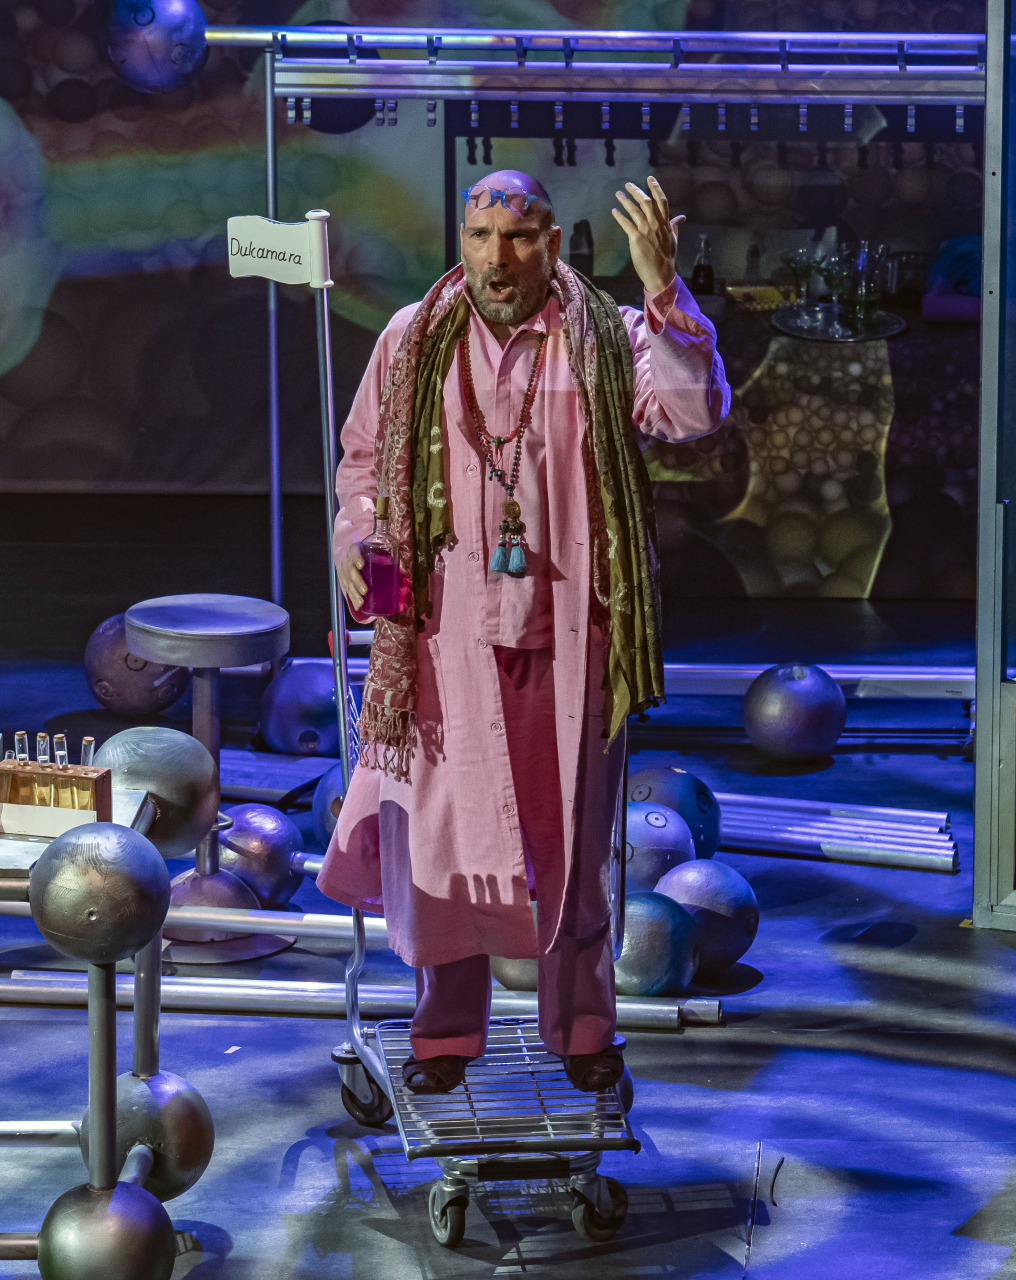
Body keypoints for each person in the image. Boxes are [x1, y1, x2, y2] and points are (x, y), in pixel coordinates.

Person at [317, 170, 728, 1095]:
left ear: (553, 243)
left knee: (574, 852)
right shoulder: (410, 339)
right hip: (442, 639)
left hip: (570, 640)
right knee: (445, 848)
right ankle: (444, 1033)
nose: (497, 258)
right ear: (459, 241)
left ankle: (582, 1028)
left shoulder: (607, 336)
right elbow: (362, 467)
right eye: (479, 236)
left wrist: (663, 288)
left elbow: (692, 412)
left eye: (519, 237)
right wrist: (359, 542)